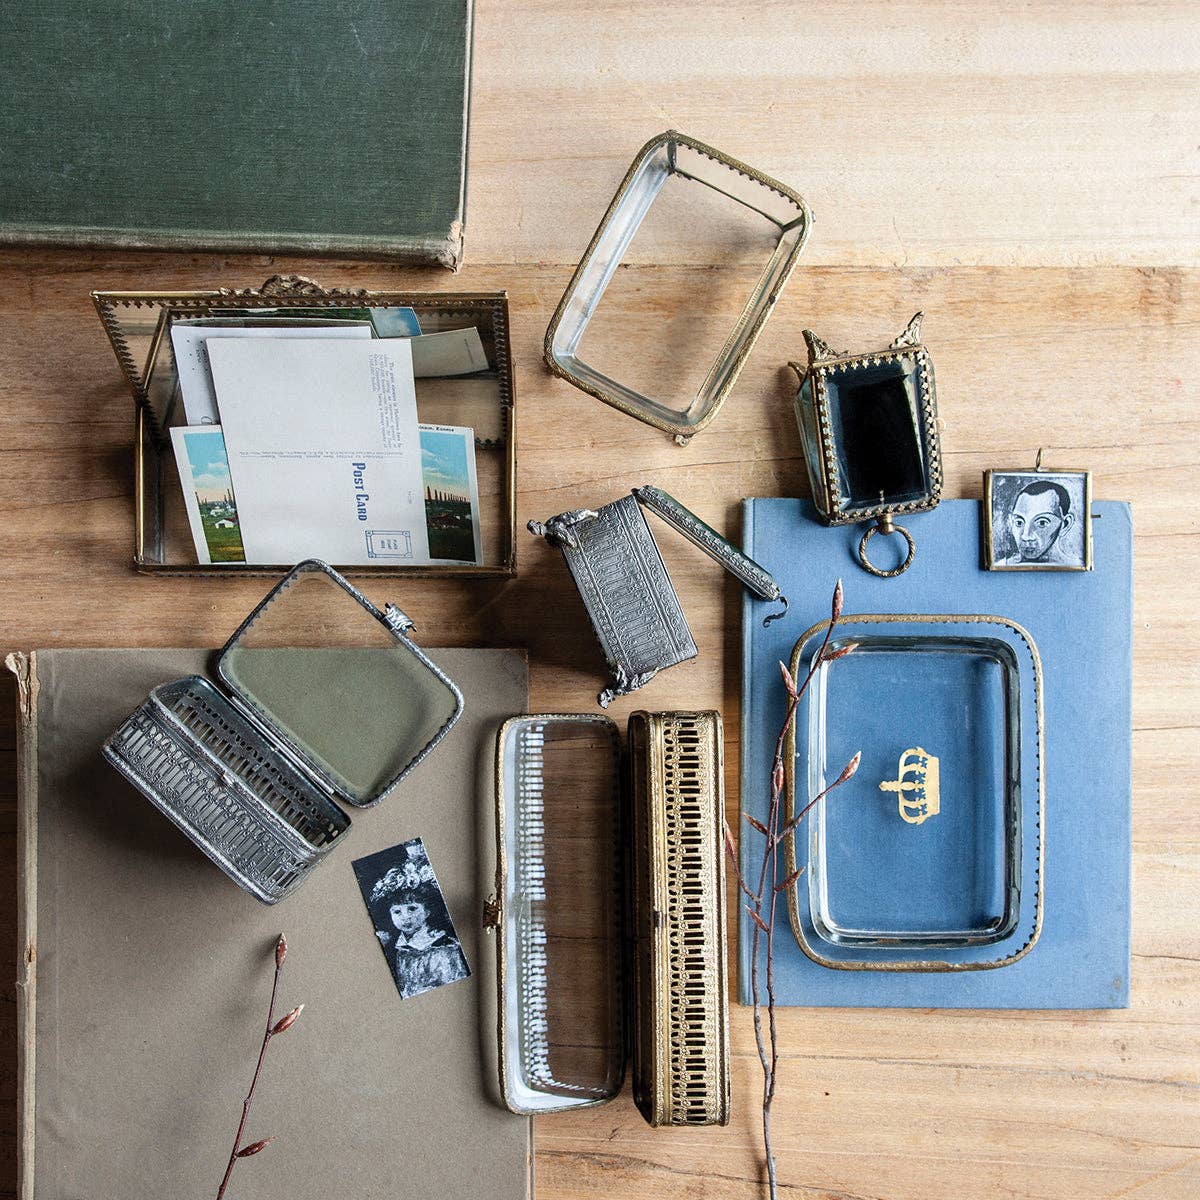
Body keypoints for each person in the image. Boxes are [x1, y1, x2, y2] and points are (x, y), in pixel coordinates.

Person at [370, 852, 469, 999]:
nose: (405, 917)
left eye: (412, 908)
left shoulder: (444, 947)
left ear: (428, 910)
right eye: (397, 912)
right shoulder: (395, 947)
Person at [999, 479, 1077, 566]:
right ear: (1011, 522)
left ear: (1065, 524)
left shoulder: (1075, 565)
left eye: (1042, 523)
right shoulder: (1001, 565)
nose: (1026, 536)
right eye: (1019, 523)